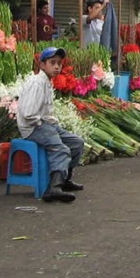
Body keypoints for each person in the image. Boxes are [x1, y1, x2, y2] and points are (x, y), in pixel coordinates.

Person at [17, 47, 84, 203]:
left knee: (76, 143)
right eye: (52, 63)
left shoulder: (46, 82)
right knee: (61, 149)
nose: (56, 67)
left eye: (59, 64)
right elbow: (29, 114)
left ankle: (65, 180)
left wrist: (51, 124)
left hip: (44, 124)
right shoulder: (36, 83)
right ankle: (53, 188)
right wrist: (43, 124)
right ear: (42, 65)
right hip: (32, 127)